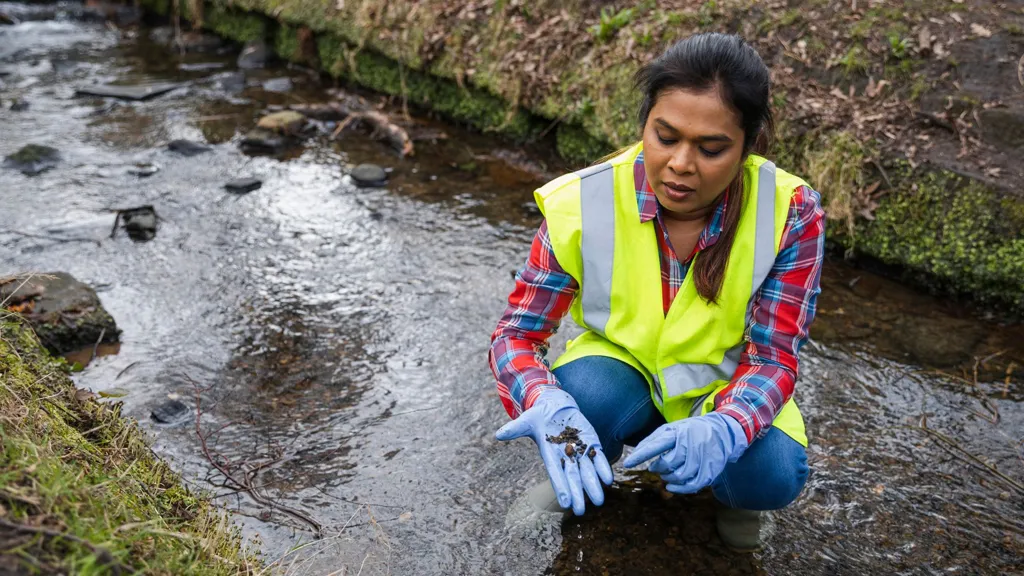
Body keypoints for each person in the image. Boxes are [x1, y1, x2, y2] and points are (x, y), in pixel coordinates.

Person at [488, 32, 824, 552]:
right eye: (665, 137)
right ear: (645, 122)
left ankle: (739, 500)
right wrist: (544, 400)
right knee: (583, 397)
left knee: (772, 471)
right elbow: (516, 334)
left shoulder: (791, 211)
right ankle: (578, 469)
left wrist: (729, 427)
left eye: (712, 149)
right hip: (623, 374)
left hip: (724, 387)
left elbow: (776, 357)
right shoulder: (584, 199)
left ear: (748, 145)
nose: (681, 165)